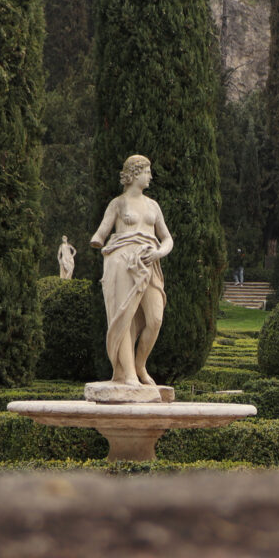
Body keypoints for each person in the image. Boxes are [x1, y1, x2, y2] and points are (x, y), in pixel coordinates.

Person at [90, 154, 173, 386]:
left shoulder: (153, 205)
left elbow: (167, 238)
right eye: (147, 171)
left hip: (149, 263)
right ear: (135, 173)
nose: (150, 176)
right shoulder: (118, 204)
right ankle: (128, 374)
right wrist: (100, 241)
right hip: (123, 263)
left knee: (155, 318)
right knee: (124, 316)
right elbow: (100, 234)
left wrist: (158, 252)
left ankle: (140, 365)